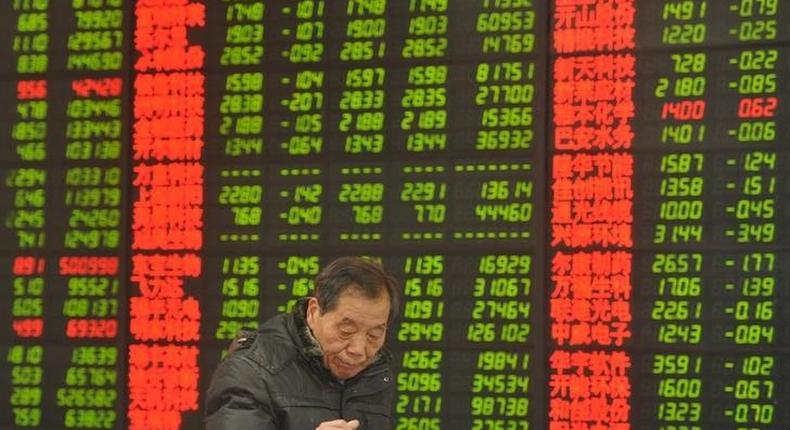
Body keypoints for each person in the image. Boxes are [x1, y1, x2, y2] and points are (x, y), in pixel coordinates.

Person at [205, 256, 401, 430]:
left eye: (374, 335)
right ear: (314, 311)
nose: (358, 350)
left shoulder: (376, 375)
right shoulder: (251, 372)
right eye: (346, 331)